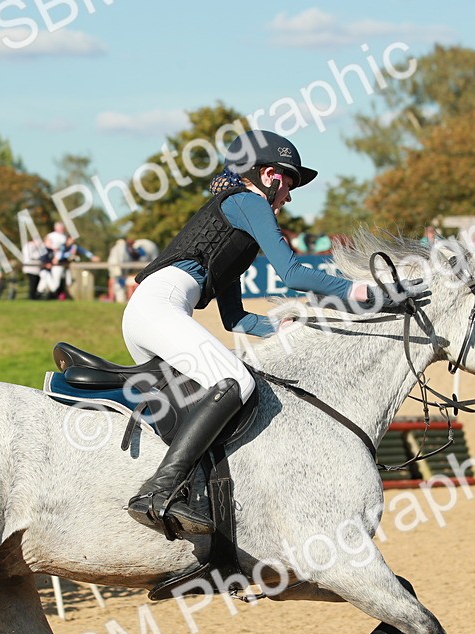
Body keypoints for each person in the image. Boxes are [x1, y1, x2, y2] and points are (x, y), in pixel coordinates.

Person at [121, 130, 426, 537]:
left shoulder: (233, 226)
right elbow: (293, 273)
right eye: (291, 183)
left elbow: (237, 320)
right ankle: (158, 492)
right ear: (269, 175)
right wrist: (371, 294)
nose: (290, 196)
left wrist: (280, 325)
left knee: (200, 402)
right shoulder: (249, 201)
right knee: (234, 382)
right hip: (159, 308)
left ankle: (193, 495)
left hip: (147, 314)